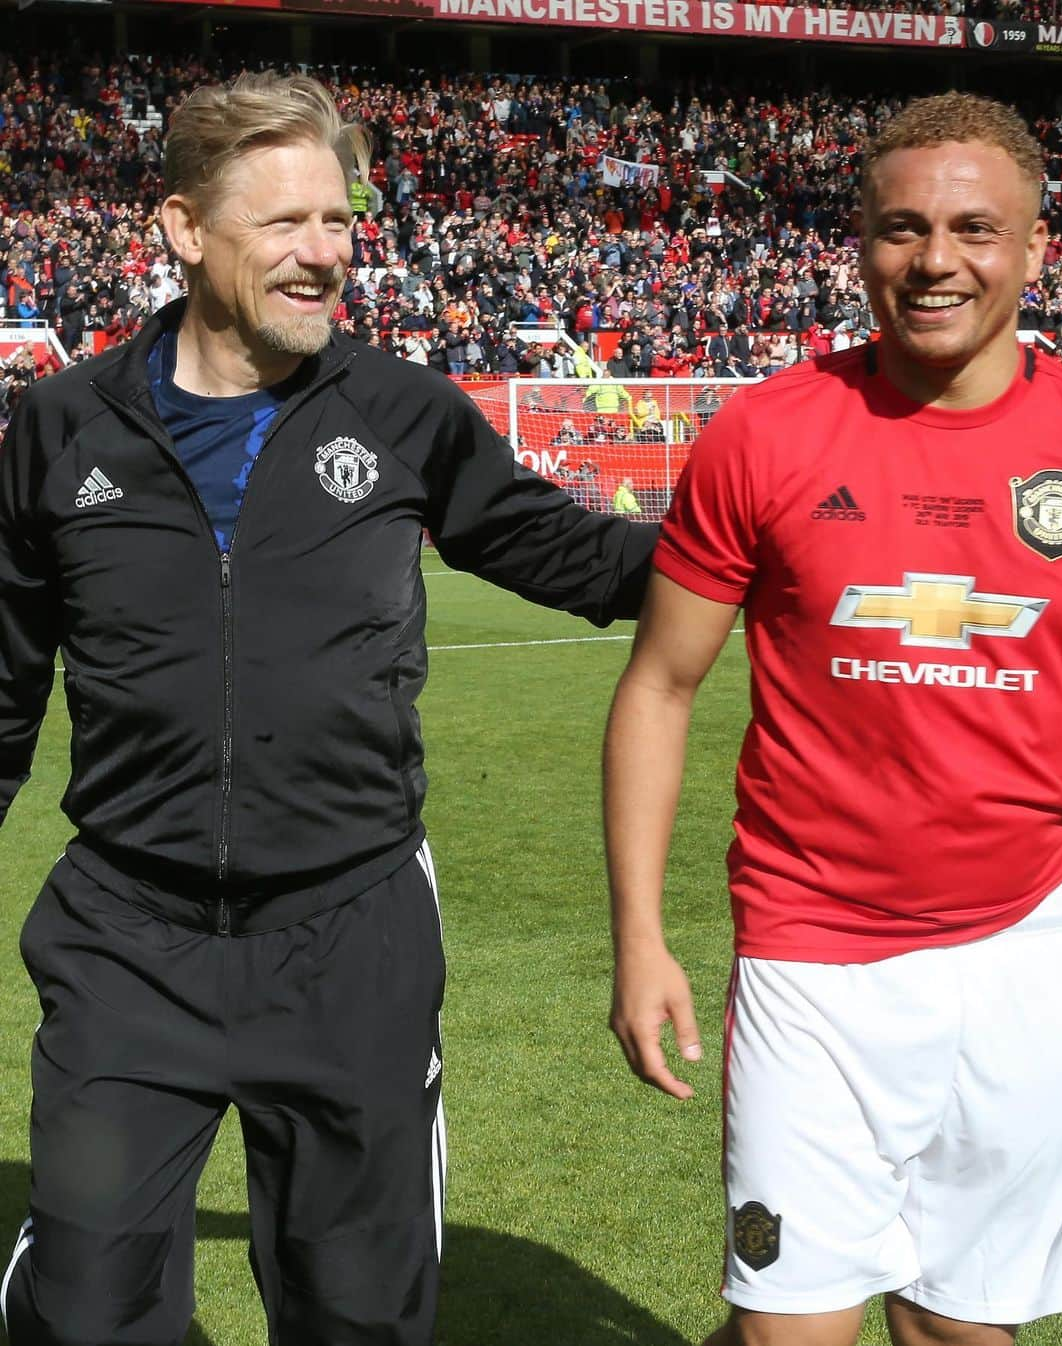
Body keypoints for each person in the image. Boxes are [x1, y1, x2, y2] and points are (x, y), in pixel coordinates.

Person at [0, 73, 656, 1346]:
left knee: (357, 1315)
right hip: (129, 937)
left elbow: (573, 557)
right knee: (83, 1312)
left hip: (348, 931)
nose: (325, 255)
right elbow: (5, 672)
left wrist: (772, 540)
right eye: (286, 223)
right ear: (186, 229)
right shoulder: (61, 421)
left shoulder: (404, 411)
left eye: (341, 222)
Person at [604, 92, 1062, 1346]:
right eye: (901, 228)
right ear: (859, 243)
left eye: (977, 228)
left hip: (1031, 939)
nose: (937, 261)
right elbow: (660, 684)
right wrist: (641, 936)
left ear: (1037, 248)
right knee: (788, 1330)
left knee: (960, 1330)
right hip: (813, 947)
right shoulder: (765, 432)